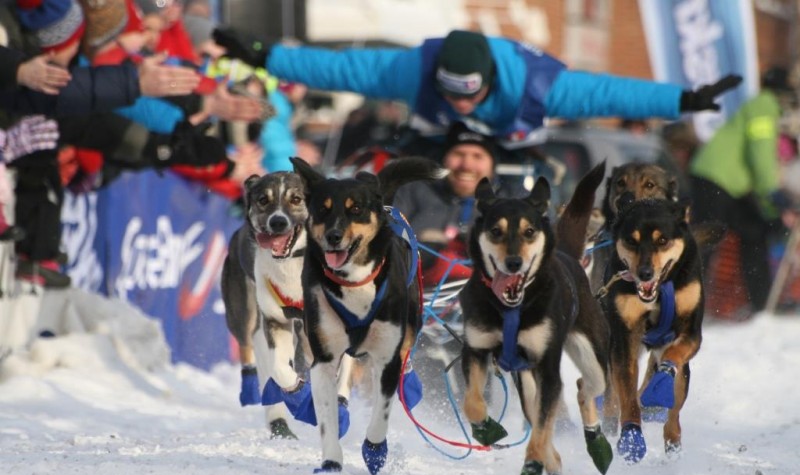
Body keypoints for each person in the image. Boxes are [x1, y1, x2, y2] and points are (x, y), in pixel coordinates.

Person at [213, 28, 741, 146]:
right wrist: (268, 56)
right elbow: (343, 70)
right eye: (452, 94)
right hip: (446, 144)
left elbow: (609, 95)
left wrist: (681, 100)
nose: (461, 101)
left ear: (486, 84)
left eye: (469, 94)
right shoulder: (414, 70)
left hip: (510, 145)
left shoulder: (539, 86)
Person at [690, 66, 798, 314]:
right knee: (706, 240)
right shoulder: (764, 107)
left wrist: (772, 206)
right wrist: (775, 197)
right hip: (715, 177)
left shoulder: (763, 105)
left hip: (729, 183)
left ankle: (761, 304)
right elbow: (760, 158)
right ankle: (688, 306)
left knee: (755, 232)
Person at [393, 121, 497, 287]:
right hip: (418, 296)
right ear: (444, 159)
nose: (466, 165)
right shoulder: (412, 191)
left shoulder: (509, 203)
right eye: (459, 154)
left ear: (492, 166)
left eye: (478, 156)